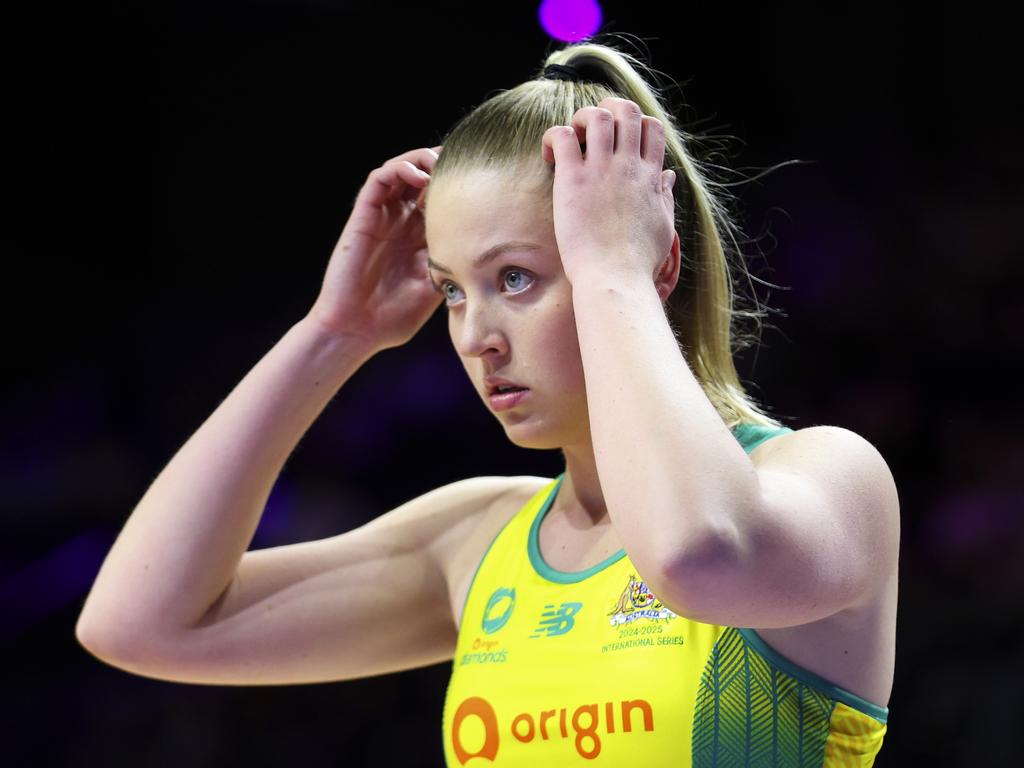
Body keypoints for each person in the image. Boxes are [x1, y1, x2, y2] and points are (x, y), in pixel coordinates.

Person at [76, 36, 899, 767]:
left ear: (654, 260)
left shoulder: (829, 477)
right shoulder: (478, 540)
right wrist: (333, 333)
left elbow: (697, 558)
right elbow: (136, 622)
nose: (476, 336)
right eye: (452, 290)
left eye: (515, 278)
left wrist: (613, 270)